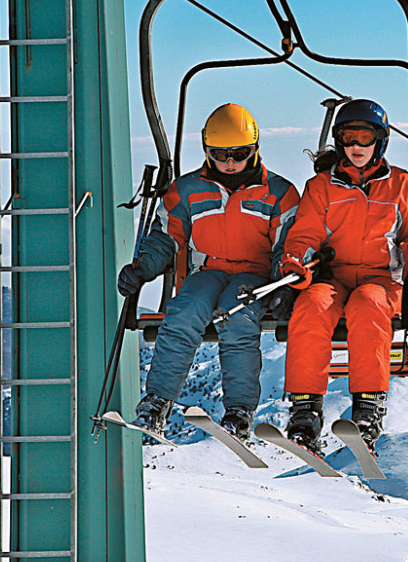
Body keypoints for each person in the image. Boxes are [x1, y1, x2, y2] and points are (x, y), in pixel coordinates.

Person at [116, 103, 300, 441]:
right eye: (220, 154)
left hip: (254, 276)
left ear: (255, 150)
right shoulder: (186, 191)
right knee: (183, 312)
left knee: (236, 314)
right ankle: (157, 403)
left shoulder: (279, 193)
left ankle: (239, 411)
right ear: (206, 151)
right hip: (208, 269)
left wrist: (283, 286)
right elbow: (166, 238)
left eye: (239, 154)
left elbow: (287, 246)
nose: (230, 163)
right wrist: (142, 269)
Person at [279, 98, 408, 454]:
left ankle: (368, 407)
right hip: (335, 276)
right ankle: (305, 410)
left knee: (368, 307)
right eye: (348, 138)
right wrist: (297, 262)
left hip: (382, 279)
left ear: (380, 140)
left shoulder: (401, 186)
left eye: (365, 138)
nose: (356, 147)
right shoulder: (322, 187)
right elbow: (305, 233)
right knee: (312, 304)